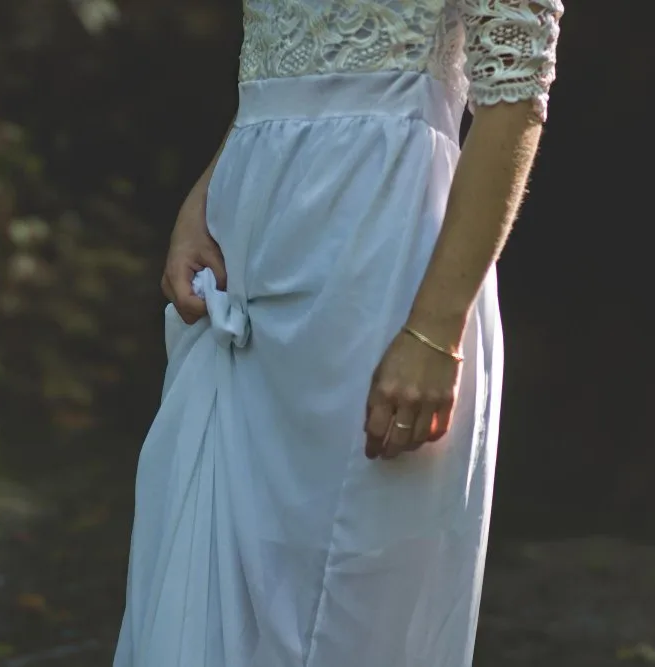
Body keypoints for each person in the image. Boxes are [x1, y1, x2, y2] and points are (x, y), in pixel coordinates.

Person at [114, 1, 563, 665]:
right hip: (247, 272)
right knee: (204, 604)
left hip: (382, 275)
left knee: (346, 616)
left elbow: (516, 93)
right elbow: (287, 56)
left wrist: (435, 330)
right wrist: (203, 196)